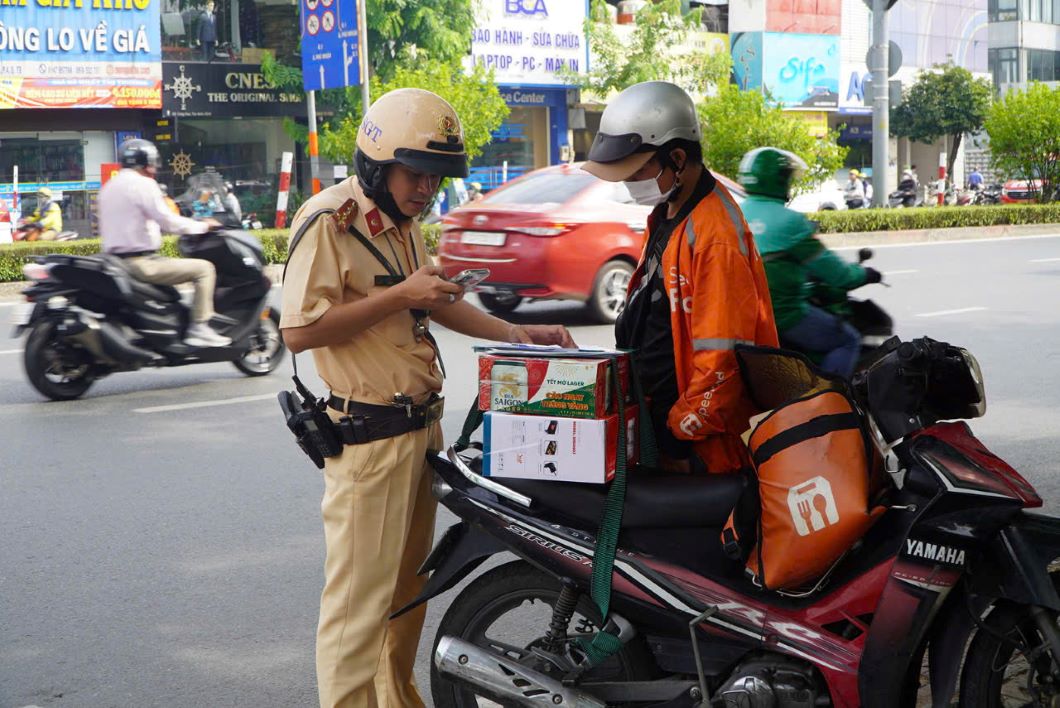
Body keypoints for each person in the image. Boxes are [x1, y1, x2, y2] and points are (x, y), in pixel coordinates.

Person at [279, 88, 574, 708]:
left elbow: (437, 301)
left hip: (420, 433)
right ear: (376, 164)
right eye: (415, 173)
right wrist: (399, 296)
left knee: (404, 602)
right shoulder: (330, 222)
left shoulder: (404, 228)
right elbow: (299, 332)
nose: (425, 188)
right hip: (368, 441)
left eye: (435, 177)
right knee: (357, 612)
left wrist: (519, 334)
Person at [583, 80, 778, 476]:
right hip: (660, 420)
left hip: (697, 447)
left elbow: (722, 359)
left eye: (638, 170)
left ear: (676, 157)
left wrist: (681, 430)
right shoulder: (670, 215)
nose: (629, 182)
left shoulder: (715, 237)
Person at [738, 147, 882, 380]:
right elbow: (838, 275)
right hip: (783, 315)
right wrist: (864, 274)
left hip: (744, 317)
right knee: (848, 340)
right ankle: (827, 402)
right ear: (778, 179)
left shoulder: (735, 213)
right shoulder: (789, 221)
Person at [98, 139, 232, 347]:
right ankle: (199, 328)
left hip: (114, 262)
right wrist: (202, 226)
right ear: (145, 162)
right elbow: (167, 221)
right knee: (204, 269)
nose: (155, 169)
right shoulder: (142, 184)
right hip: (141, 262)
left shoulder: (109, 186)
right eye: (153, 162)